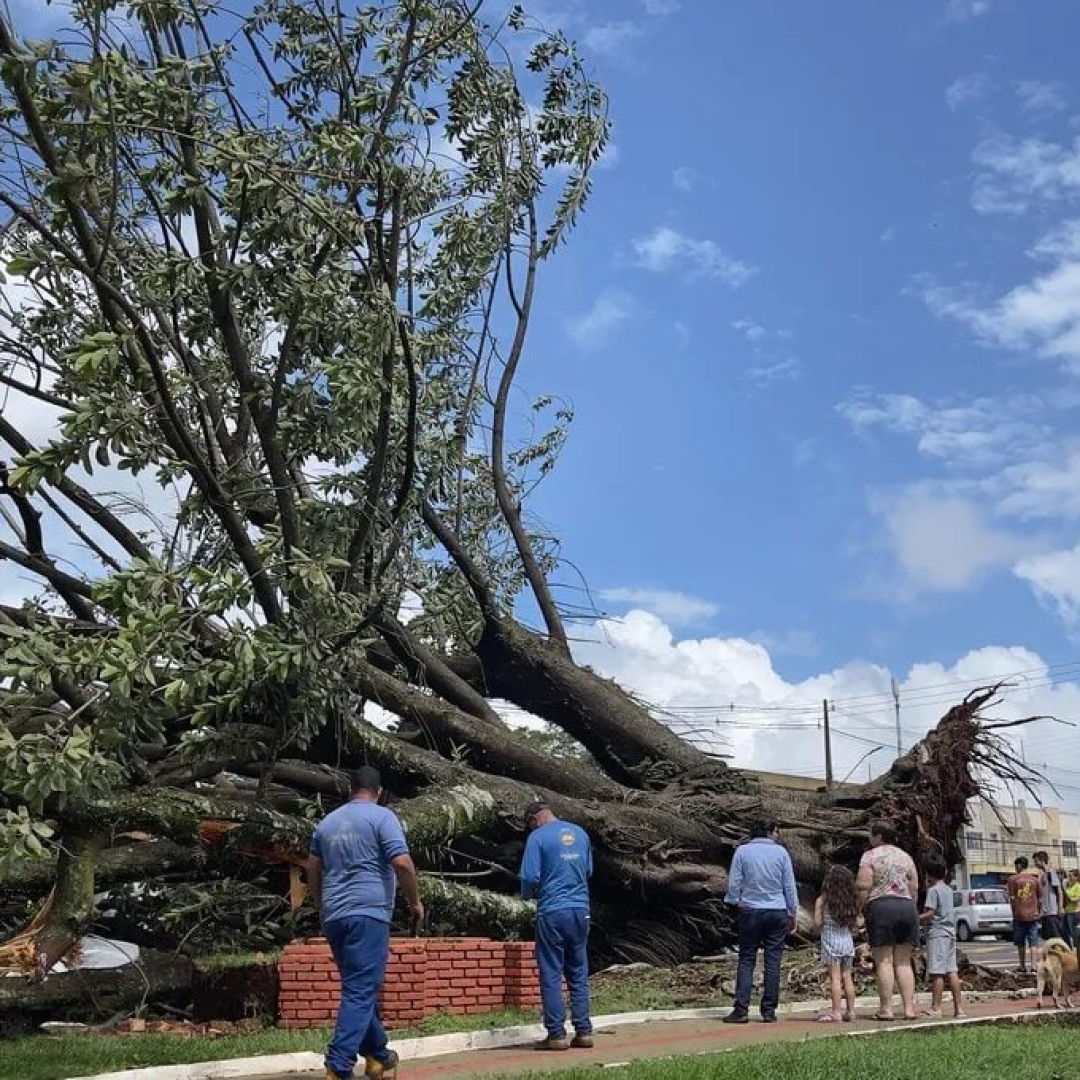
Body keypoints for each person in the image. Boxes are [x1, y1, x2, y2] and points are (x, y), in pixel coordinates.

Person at [306, 766, 423, 1080]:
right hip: (368, 914)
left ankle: (378, 1056)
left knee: (357, 988)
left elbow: (312, 869)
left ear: (350, 789)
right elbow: (402, 862)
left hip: (334, 916)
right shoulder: (382, 817)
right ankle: (339, 1065)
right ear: (380, 792)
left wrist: (321, 905)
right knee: (360, 991)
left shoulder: (327, 823)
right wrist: (414, 902)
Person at [519, 800, 594, 1051]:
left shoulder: (537, 838)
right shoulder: (580, 833)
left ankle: (556, 1035)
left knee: (551, 972)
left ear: (534, 820)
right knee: (578, 971)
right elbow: (589, 870)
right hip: (581, 911)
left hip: (552, 911)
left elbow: (529, 877)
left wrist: (527, 894)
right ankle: (584, 1031)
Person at [722, 817, 799, 1024]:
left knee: (747, 959)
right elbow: (789, 886)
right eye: (777, 832)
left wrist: (734, 900)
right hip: (777, 910)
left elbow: (734, 881)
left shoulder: (742, 851)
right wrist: (792, 912)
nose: (777, 836)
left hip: (750, 909)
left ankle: (741, 1009)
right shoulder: (781, 853)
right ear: (771, 831)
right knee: (773, 960)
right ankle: (768, 1011)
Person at [855, 819, 919, 1022]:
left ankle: (886, 1008)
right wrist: (911, 905)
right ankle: (909, 1008)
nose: (869, 838)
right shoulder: (905, 856)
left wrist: (859, 910)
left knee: (884, 960)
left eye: (871, 834)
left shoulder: (870, 856)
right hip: (907, 907)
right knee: (903, 961)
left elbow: (863, 886)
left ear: (879, 836)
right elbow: (914, 886)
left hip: (881, 906)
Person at [919, 854, 965, 1019]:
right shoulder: (948, 889)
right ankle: (959, 1008)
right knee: (952, 970)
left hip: (937, 933)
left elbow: (930, 913)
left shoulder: (933, 891)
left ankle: (936, 1007)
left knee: (937, 972)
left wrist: (916, 918)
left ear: (928, 874)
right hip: (950, 933)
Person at [813, 864, 859, 1023]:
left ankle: (836, 1012)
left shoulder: (823, 900)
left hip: (831, 942)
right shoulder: (850, 900)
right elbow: (855, 924)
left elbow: (818, 923)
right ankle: (851, 1011)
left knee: (835, 979)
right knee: (847, 977)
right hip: (847, 942)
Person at [1007, 856, 1042, 974]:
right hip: (1033, 914)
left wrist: (1014, 912)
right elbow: (1040, 898)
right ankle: (1033, 966)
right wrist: (1039, 911)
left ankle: (1022, 966)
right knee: (1034, 942)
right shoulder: (1035, 880)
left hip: (1019, 915)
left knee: (1020, 942)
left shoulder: (1012, 880)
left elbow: (1012, 898)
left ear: (1019, 866)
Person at [1034, 851, 1065, 942]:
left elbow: (1059, 891)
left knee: (1056, 939)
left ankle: (1062, 955)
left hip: (1053, 912)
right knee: (1049, 940)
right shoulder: (1043, 875)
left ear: (1042, 860)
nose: (1035, 864)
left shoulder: (1051, 873)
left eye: (1036, 861)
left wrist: (1060, 907)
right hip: (1046, 913)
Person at [1065, 870, 1080, 948]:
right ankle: (1071, 949)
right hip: (1067, 912)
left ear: (1076, 877)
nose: (1069, 877)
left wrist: (1069, 898)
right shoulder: (1068, 886)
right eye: (1068, 876)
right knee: (1066, 932)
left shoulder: (1078, 886)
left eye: (1071, 876)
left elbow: (1077, 899)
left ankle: (1076, 950)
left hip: (1075, 913)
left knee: (1074, 934)